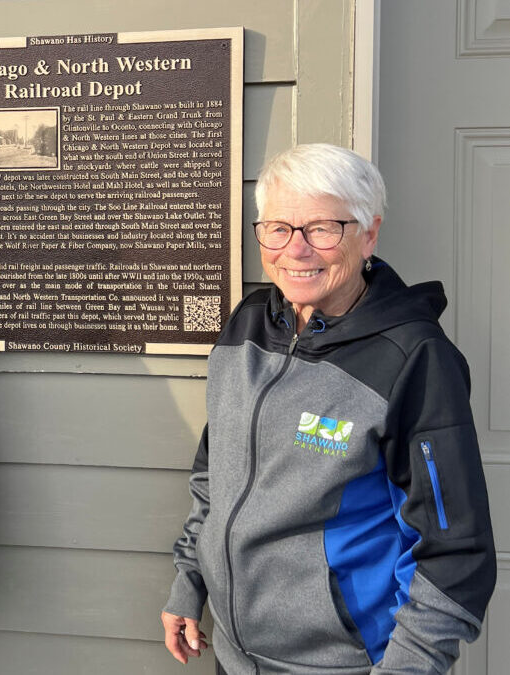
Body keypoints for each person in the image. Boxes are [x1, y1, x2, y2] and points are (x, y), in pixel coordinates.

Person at [161, 143, 495, 674]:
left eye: (322, 228)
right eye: (278, 228)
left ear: (370, 233)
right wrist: (189, 582)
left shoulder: (415, 359)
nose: (296, 250)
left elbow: (454, 550)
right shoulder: (245, 327)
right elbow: (215, 475)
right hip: (231, 655)